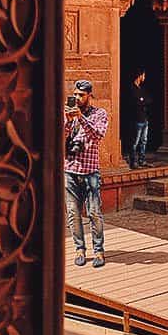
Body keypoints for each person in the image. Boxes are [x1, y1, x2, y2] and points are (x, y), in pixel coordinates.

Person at [65, 79, 110, 268]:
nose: (77, 98)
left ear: (89, 96)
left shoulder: (100, 114)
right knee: (73, 214)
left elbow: (97, 135)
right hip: (69, 169)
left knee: (94, 213)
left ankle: (98, 251)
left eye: (81, 95)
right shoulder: (68, 114)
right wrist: (68, 122)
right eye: (75, 94)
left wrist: (81, 118)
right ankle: (79, 249)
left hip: (90, 171)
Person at [128, 69, 151, 169]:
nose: (144, 77)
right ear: (140, 75)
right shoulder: (132, 89)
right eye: (144, 75)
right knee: (135, 142)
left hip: (144, 118)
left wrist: (142, 100)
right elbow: (135, 103)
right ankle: (133, 162)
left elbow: (148, 100)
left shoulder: (141, 89)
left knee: (144, 141)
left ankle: (142, 160)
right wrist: (142, 100)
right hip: (136, 118)